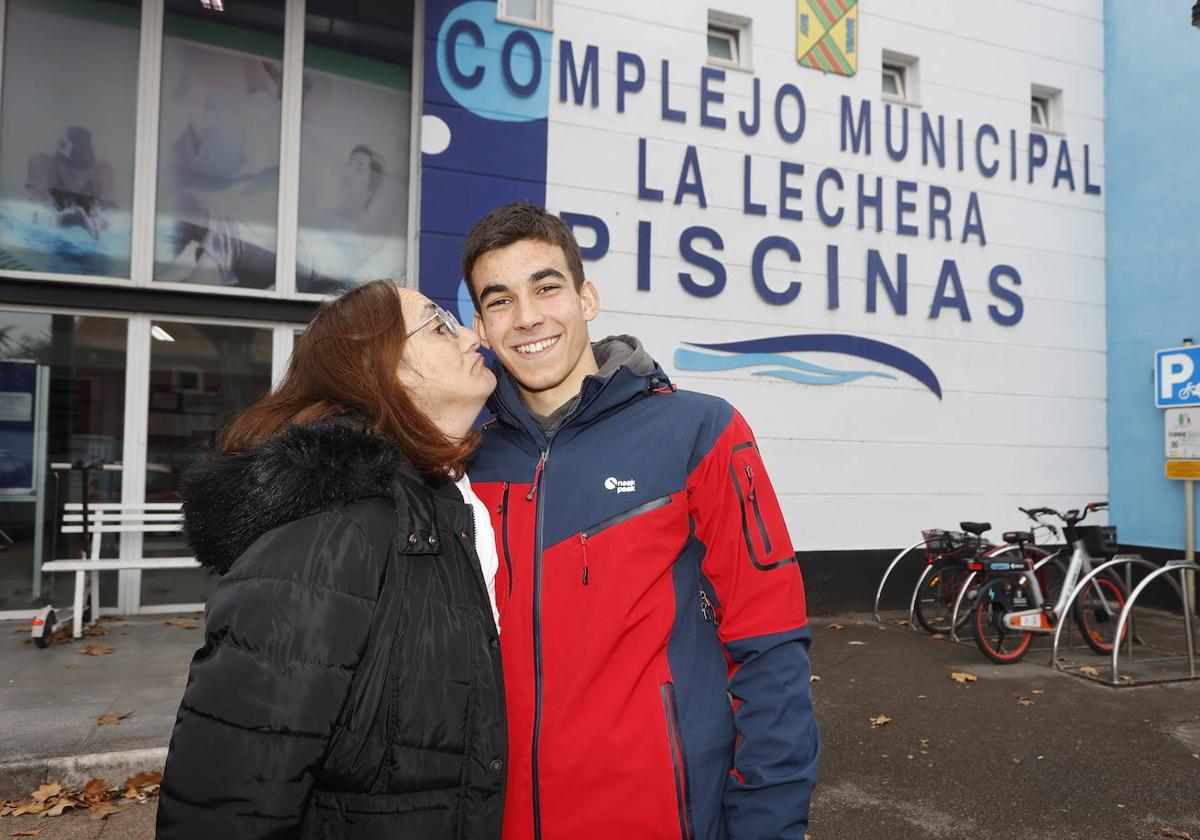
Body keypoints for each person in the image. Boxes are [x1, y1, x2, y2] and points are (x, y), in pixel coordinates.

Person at [464, 203, 819, 839]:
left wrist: (767, 825)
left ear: (587, 297)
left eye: (546, 287)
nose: (526, 317)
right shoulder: (464, 462)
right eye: (499, 301)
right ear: (481, 328)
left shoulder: (700, 431)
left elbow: (770, 646)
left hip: (663, 819)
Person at [156, 280, 506, 838]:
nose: (473, 334)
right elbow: (232, 797)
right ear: (380, 370)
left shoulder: (436, 506)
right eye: (440, 325)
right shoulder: (330, 529)